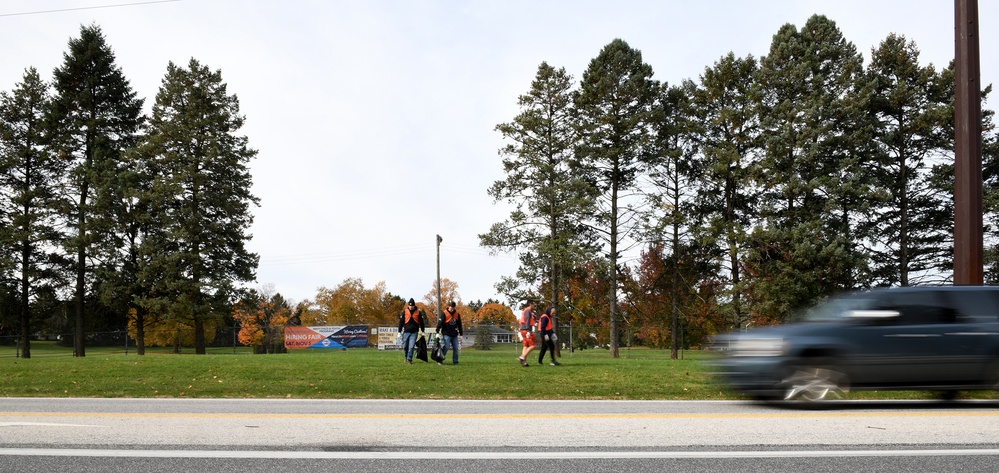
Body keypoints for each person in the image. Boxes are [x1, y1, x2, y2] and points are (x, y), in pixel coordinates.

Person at [435, 301, 464, 365]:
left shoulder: (457, 314)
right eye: (451, 307)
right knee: (446, 347)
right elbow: (439, 323)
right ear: (448, 306)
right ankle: (440, 359)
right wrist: (437, 331)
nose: (452, 309)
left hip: (454, 334)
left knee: (456, 348)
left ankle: (455, 361)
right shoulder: (444, 313)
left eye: (453, 308)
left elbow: (459, 324)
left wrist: (461, 333)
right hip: (446, 333)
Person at [398, 298, 425, 364]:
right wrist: (399, 331)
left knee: (411, 346)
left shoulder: (418, 312)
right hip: (406, 332)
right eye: (410, 306)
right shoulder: (405, 312)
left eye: (412, 306)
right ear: (408, 305)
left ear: (414, 305)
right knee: (405, 346)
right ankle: (406, 357)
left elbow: (421, 322)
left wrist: (423, 331)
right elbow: (401, 322)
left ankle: (409, 359)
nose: (411, 307)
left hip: (414, 332)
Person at [517, 300, 537, 367]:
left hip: (523, 329)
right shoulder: (528, 311)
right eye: (534, 304)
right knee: (533, 345)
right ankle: (522, 357)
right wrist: (528, 330)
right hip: (526, 330)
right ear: (530, 304)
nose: (535, 306)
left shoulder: (526, 311)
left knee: (526, 346)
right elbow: (527, 321)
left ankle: (524, 362)